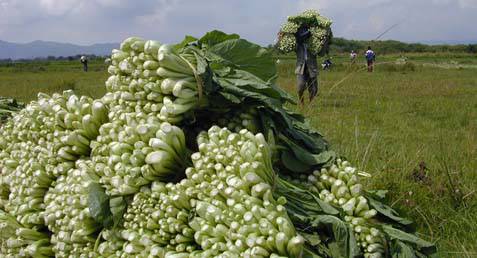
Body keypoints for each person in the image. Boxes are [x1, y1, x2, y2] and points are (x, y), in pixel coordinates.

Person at [294, 24, 318, 105]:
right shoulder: (297, 45)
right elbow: (283, 49)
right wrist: (281, 37)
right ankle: (301, 102)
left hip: (312, 67)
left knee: (313, 89)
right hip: (301, 68)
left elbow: (321, 52)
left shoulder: (314, 44)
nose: (304, 36)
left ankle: (311, 104)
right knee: (300, 87)